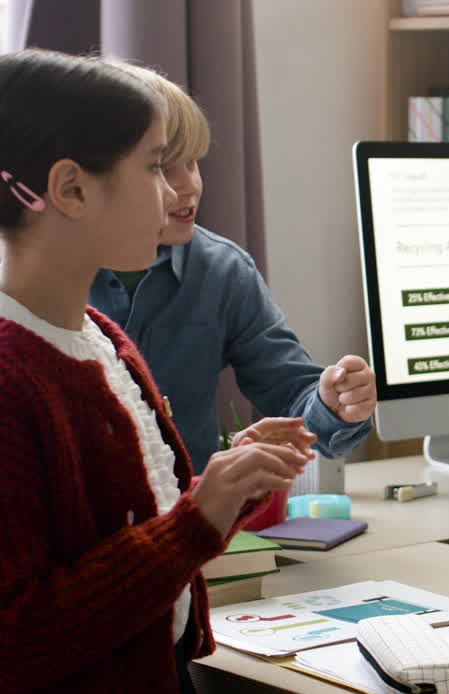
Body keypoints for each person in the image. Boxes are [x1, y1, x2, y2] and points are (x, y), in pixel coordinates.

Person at [0, 49, 315, 694]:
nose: (177, 195)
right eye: (152, 167)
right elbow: (14, 637)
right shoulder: (10, 379)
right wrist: (197, 520)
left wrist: (223, 492)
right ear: (71, 189)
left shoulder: (104, 341)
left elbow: (135, 545)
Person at [89, 62, 376, 475]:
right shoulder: (47, 275)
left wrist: (335, 404)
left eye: (193, 163)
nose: (189, 185)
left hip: (189, 525)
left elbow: (295, 400)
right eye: (163, 167)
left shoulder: (222, 271)